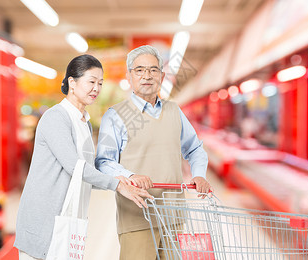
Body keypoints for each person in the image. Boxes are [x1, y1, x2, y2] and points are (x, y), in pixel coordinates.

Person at [14, 55, 152, 260]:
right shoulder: (56, 118)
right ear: (72, 82)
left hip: (69, 220)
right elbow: (75, 167)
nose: (96, 88)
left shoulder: (84, 123)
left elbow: (86, 174)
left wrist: (122, 179)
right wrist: (116, 185)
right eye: (91, 82)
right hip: (44, 219)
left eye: (100, 83)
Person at [96, 45, 213, 259]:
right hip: (137, 217)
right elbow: (104, 161)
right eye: (139, 70)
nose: (146, 76)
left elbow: (195, 148)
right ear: (129, 76)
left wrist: (199, 174)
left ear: (162, 75)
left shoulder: (174, 111)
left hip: (174, 217)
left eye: (153, 70)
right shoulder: (115, 116)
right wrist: (130, 176)